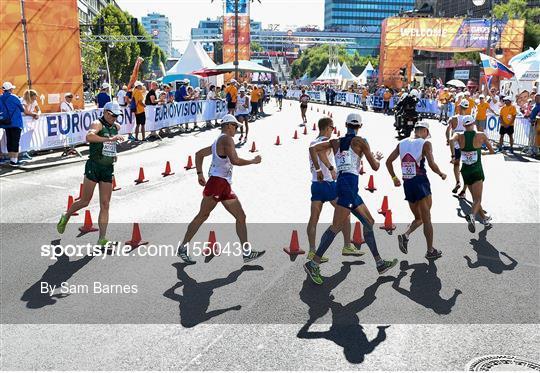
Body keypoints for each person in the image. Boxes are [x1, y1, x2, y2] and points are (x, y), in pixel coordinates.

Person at [304, 113, 398, 285]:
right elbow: (375, 167)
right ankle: (313, 263)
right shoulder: (361, 142)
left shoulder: (335, 142)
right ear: (359, 126)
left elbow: (314, 149)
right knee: (336, 226)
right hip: (348, 185)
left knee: (369, 221)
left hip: (348, 186)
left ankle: (380, 263)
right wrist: (376, 157)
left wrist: (323, 167)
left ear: (345, 124)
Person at [176, 114, 265, 265]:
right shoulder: (226, 139)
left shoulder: (218, 140)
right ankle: (183, 248)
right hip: (217, 183)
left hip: (223, 184)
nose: (236, 130)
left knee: (241, 216)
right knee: (202, 215)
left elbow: (199, 154)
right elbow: (235, 161)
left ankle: (246, 252)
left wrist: (200, 174)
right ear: (228, 125)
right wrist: (253, 161)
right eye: (235, 126)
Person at [56, 102, 124, 246]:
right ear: (106, 112)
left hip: (107, 168)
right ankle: (66, 215)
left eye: (117, 116)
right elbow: (89, 137)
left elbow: (110, 145)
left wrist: (113, 153)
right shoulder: (97, 123)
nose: (115, 118)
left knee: (105, 204)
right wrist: (108, 139)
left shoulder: (116, 127)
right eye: (113, 115)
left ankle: (102, 238)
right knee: (85, 201)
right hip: (94, 166)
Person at [385, 121, 446, 259]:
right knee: (427, 218)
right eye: (427, 134)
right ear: (424, 131)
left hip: (408, 184)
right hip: (420, 183)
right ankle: (430, 251)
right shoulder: (425, 144)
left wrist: (394, 178)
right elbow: (431, 163)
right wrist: (441, 173)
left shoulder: (402, 143)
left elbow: (388, 162)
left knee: (419, 218)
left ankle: (405, 235)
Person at [307, 117, 362, 262]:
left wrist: (318, 169)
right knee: (345, 212)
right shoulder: (324, 143)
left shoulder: (313, 141)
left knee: (314, 219)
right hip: (329, 184)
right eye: (332, 128)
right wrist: (331, 168)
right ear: (327, 128)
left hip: (315, 184)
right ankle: (347, 245)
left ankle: (312, 251)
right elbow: (321, 153)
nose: (333, 130)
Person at [450, 115, 495, 232]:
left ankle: (484, 219)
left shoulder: (459, 135)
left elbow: (451, 140)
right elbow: (492, 151)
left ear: (464, 125)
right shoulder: (481, 135)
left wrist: (453, 155)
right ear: (474, 123)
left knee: (475, 198)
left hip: (465, 171)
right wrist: (483, 152)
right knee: (478, 199)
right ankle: (472, 216)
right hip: (476, 170)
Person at [446, 100, 469, 197]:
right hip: (467, 145)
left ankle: (458, 182)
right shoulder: (469, 119)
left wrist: (448, 140)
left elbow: (447, 131)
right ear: (467, 108)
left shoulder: (453, 118)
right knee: (467, 167)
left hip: (456, 146)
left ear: (459, 107)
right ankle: (464, 190)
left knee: (456, 164)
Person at [0, 82, 25, 166]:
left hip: (5, 122)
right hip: (16, 122)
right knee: (15, 141)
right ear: (10, 89)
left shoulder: (0, 98)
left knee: (9, 141)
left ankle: (12, 160)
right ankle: (14, 161)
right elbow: (22, 109)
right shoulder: (14, 97)